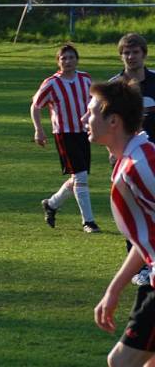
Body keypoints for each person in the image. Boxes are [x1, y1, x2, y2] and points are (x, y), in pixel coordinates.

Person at [88, 79, 155, 366]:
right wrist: (114, 289)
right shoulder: (128, 161)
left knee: (121, 362)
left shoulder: (142, 165)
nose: (84, 119)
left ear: (113, 121)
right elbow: (146, 240)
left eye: (91, 112)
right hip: (151, 282)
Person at [31, 43, 99, 233]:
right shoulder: (52, 83)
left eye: (71, 57)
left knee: (78, 176)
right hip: (64, 134)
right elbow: (35, 106)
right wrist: (39, 130)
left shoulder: (85, 78)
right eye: (64, 58)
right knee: (80, 176)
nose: (68, 61)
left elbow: (93, 102)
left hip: (84, 133)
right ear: (58, 62)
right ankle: (88, 222)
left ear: (77, 59)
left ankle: (52, 204)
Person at [111, 33, 155, 286]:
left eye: (135, 52)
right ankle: (140, 268)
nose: (130, 57)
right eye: (126, 53)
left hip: (153, 158)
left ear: (144, 54)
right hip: (126, 160)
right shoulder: (116, 86)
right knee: (133, 215)